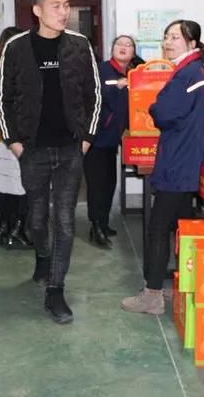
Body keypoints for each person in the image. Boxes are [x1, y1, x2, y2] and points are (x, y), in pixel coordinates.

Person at [0, 0, 101, 324]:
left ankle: (56, 290)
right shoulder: (16, 47)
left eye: (66, 5)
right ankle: (43, 255)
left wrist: (86, 138)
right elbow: (3, 98)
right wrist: (14, 142)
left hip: (70, 149)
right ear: (37, 10)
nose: (64, 11)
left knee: (65, 221)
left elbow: (94, 95)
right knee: (38, 219)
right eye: (56, 5)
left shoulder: (80, 45)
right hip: (33, 150)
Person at [121, 20, 204, 315]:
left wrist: (154, 106)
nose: (168, 42)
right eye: (166, 37)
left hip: (178, 161)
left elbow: (163, 112)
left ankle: (153, 295)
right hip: (186, 157)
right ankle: (184, 284)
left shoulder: (188, 73)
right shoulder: (193, 70)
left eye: (175, 37)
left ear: (192, 43)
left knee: (159, 227)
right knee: (183, 225)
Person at [84, 35, 138, 249]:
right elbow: (90, 95)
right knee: (97, 185)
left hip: (113, 139)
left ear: (133, 52)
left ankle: (103, 223)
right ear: (112, 49)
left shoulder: (133, 73)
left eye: (128, 45)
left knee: (109, 184)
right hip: (96, 138)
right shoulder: (101, 69)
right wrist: (117, 86)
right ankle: (95, 226)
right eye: (119, 44)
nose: (123, 47)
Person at [0, 26, 31, 249]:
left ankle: (4, 230)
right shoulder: (11, 69)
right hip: (12, 137)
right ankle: (16, 232)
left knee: (5, 187)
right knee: (21, 186)